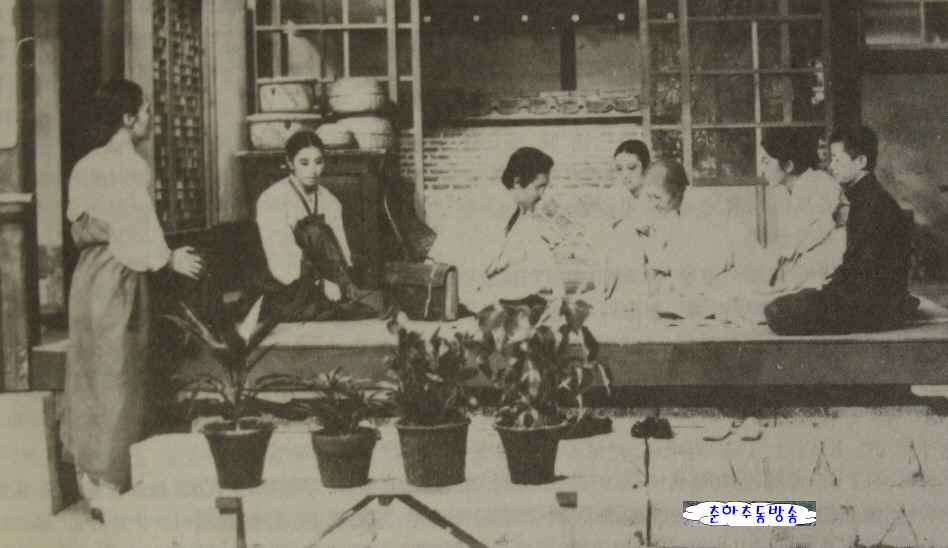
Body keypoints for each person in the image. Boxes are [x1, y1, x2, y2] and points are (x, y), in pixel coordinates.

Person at [61, 79, 203, 518]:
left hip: (87, 277)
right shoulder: (130, 165)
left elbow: (80, 224)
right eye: (145, 111)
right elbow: (134, 229)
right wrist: (169, 259)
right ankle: (108, 483)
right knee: (118, 375)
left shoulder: (86, 164)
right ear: (128, 118)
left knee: (90, 371)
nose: (150, 119)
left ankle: (90, 479)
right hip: (118, 275)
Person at [764, 125, 920, 335]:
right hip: (866, 295)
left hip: (870, 303)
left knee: (777, 311)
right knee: (787, 303)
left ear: (861, 161)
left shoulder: (871, 203)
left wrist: (826, 291)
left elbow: (860, 270)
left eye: (837, 160)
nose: (831, 166)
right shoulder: (866, 196)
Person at [255, 131, 374, 322]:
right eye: (304, 163)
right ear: (290, 162)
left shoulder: (329, 200)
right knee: (313, 230)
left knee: (356, 309)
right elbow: (281, 254)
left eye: (318, 162)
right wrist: (320, 282)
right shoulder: (272, 198)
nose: (313, 170)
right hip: (286, 280)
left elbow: (339, 247)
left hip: (324, 280)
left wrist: (344, 282)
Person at [457, 147, 564, 312]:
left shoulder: (516, 208)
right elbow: (469, 268)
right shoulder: (493, 204)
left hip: (476, 284)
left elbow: (538, 249)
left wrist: (558, 295)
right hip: (456, 287)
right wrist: (492, 306)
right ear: (518, 183)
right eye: (539, 187)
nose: (542, 194)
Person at [758, 128, 846, 292]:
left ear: (788, 166)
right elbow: (786, 243)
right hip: (803, 264)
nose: (761, 170)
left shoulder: (821, 184)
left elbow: (813, 239)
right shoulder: (783, 191)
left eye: (766, 162)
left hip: (830, 262)